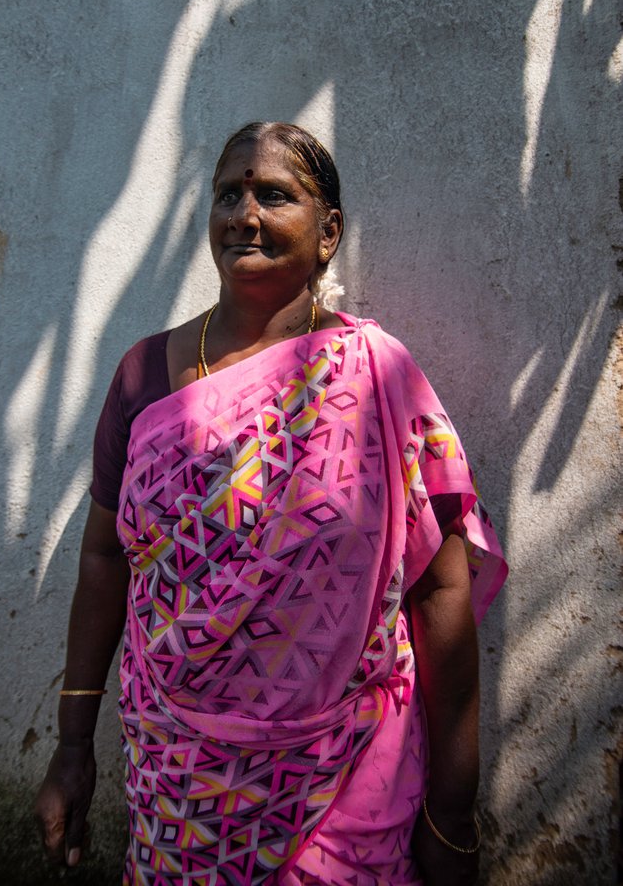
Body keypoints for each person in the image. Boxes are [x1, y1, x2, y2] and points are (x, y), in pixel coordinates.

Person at [35, 121, 507, 885]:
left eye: (273, 195)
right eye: (229, 193)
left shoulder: (380, 380)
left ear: (328, 232)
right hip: (179, 778)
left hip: (350, 771)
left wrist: (453, 810)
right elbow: (101, 557)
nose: (243, 215)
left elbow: (441, 585)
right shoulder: (142, 379)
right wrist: (70, 747)